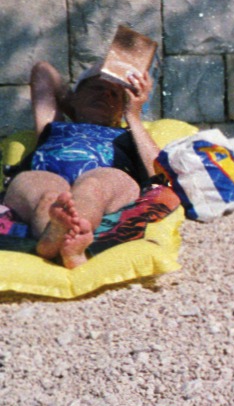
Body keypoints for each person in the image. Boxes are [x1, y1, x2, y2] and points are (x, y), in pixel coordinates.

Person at [2, 60, 159, 268]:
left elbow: (159, 174)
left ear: (121, 110)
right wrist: (112, 68)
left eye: (114, 95)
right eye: (97, 88)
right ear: (73, 98)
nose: (105, 95)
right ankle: (60, 240)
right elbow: (42, 71)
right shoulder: (53, 126)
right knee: (50, 197)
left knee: (91, 188)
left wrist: (132, 114)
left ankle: (59, 239)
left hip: (107, 177)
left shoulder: (127, 135)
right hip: (44, 174)